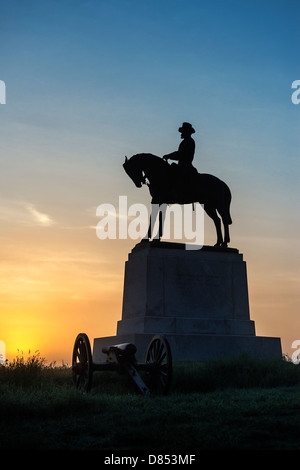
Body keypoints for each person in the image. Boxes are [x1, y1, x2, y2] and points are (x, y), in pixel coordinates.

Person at [162, 122, 197, 198]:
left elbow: (181, 154)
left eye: (183, 131)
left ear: (187, 132)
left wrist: (169, 156)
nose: (181, 133)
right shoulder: (184, 142)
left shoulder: (190, 141)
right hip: (181, 165)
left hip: (186, 166)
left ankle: (181, 193)